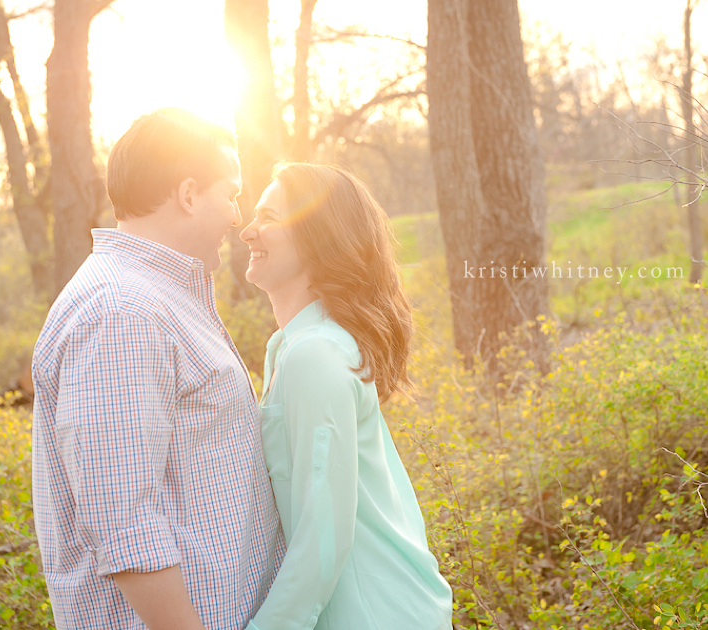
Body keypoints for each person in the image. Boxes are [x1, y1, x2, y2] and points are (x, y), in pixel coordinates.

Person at [32, 108, 283, 630]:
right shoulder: (123, 313)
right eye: (231, 195)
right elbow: (124, 526)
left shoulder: (154, 300)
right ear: (189, 194)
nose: (238, 219)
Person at [239, 163, 453, 630]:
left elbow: (324, 533)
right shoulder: (291, 346)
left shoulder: (315, 353)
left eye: (270, 217)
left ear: (318, 238)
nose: (248, 231)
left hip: (378, 613)